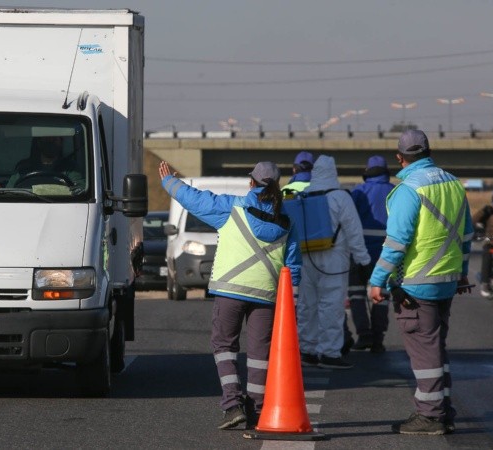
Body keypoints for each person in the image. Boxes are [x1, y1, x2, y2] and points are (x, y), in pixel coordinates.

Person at [158, 160, 301, 430]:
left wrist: (169, 182)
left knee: (224, 347)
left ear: (251, 183)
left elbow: (196, 200)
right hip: (268, 295)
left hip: (231, 290)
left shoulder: (231, 208)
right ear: (278, 185)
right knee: (260, 354)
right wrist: (291, 302)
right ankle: (258, 409)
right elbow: (293, 266)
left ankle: (233, 405)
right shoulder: (288, 219)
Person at [370, 129, 474, 435]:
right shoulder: (453, 184)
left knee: (424, 350)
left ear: (400, 158)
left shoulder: (408, 189)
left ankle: (430, 415)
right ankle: (444, 411)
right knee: (437, 348)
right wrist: (463, 269)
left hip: (416, 284)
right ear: (429, 152)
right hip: (447, 280)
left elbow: (397, 242)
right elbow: (467, 233)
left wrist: (378, 280)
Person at [296, 155, 370, 370]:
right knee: (332, 305)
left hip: (306, 256)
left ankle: (307, 350)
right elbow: (353, 231)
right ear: (333, 172)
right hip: (334, 260)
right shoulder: (340, 197)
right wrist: (363, 260)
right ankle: (329, 353)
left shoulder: (304, 195)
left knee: (307, 305)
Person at [347, 155, 395, 354]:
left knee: (357, 293)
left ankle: (364, 334)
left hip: (360, 252)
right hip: (387, 253)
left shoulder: (359, 191)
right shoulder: (395, 192)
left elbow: (348, 220)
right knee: (381, 295)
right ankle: (378, 339)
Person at [5, 135, 83, 188]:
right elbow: (11, 190)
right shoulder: (23, 168)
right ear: (39, 142)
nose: (51, 143)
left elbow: (79, 190)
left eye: (55, 140)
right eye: (47, 139)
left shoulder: (70, 168)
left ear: (61, 143)